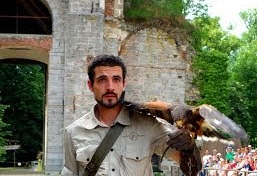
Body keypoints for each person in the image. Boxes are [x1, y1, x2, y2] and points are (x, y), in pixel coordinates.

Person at [60, 55, 201, 175]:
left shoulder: (148, 125)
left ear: (124, 84)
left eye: (116, 79)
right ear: (90, 85)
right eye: (102, 79)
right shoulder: (73, 132)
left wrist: (189, 147)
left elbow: (192, 169)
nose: (110, 87)